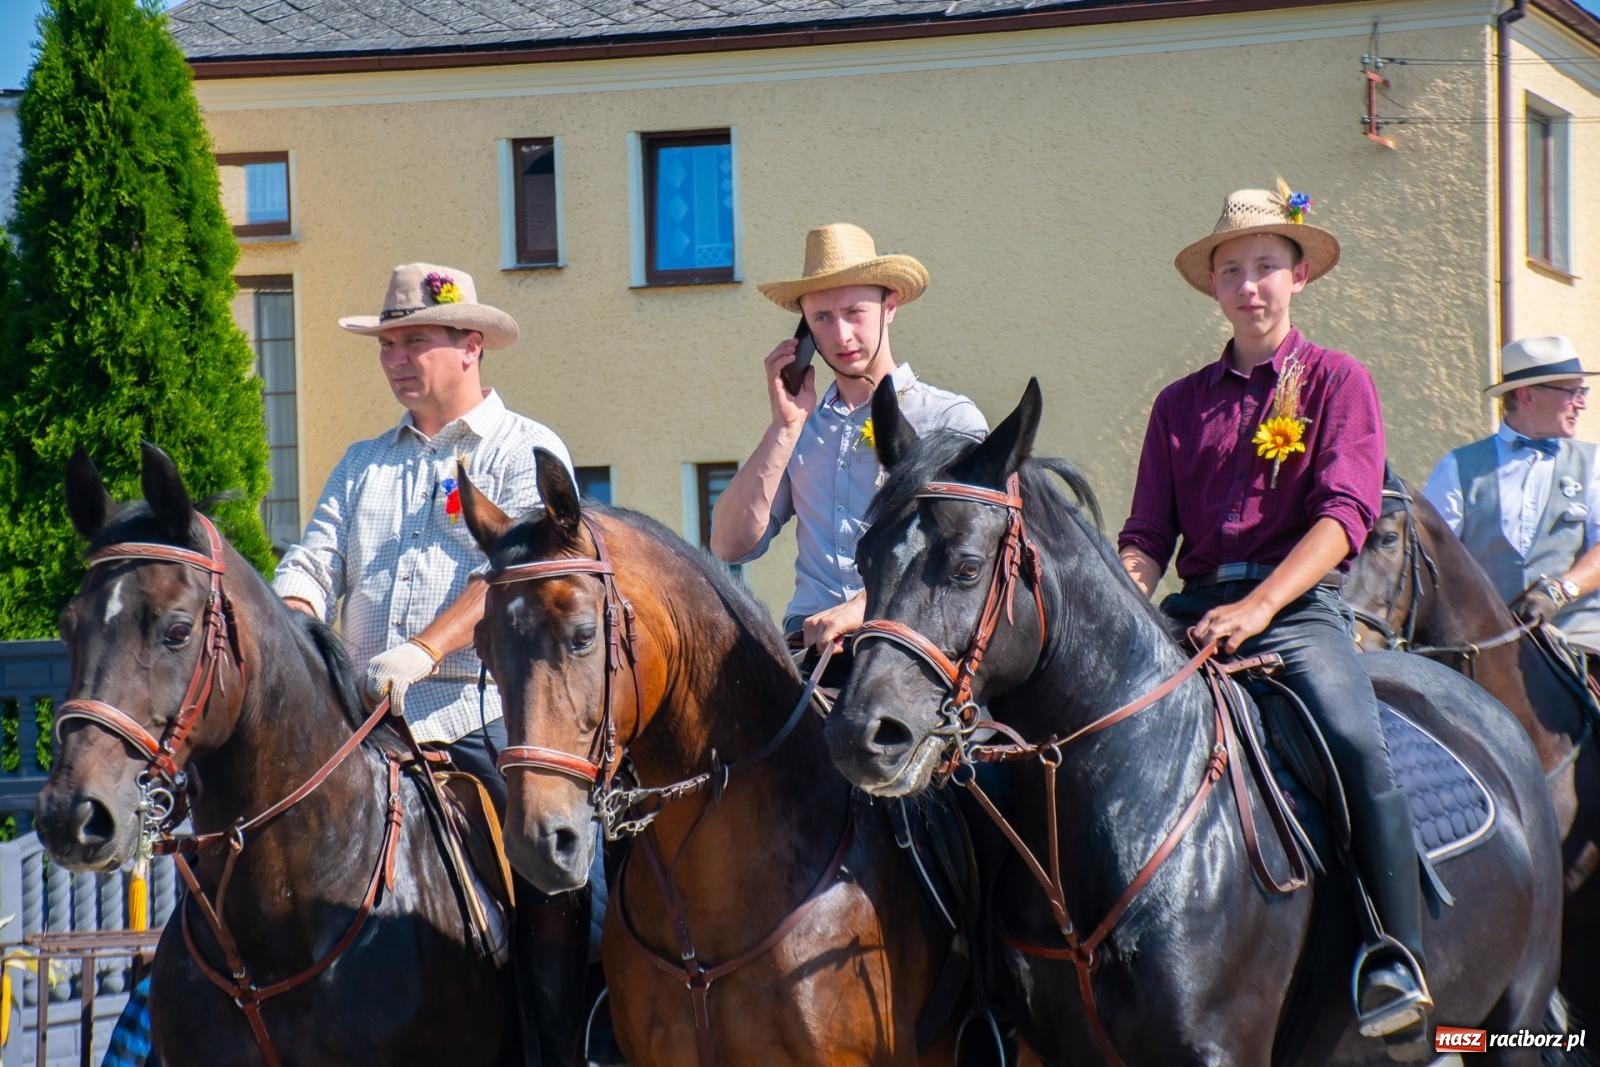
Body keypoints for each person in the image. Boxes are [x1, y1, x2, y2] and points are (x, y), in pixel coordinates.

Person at [1115, 184, 1430, 1053]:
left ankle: (1393, 956)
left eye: (1265, 267)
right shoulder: (1178, 404)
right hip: (1192, 611)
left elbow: (1344, 518)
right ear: (1213, 288)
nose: (1249, 285)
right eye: (1232, 271)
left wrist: (1260, 606)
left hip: (1294, 612)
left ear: (1297, 277)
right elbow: (1146, 536)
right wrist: (1120, 604)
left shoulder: (1338, 380)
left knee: (1354, 741)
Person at [272, 262, 586, 1067]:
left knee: (559, 870)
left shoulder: (528, 451)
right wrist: (296, 621)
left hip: (479, 717)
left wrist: (423, 649)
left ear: (470, 345)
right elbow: (312, 562)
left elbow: (514, 575)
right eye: (388, 344)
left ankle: (563, 1036)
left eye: (416, 341)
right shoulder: (360, 463)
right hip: (359, 727)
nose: (396, 359)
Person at [709, 223, 986, 651]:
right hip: (808, 652)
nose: (840, 336)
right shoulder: (799, 430)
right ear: (805, 332)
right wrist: (784, 427)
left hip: (916, 652)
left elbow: (972, 549)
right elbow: (728, 545)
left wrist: (862, 607)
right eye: (822, 317)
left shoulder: (948, 419)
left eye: (854, 312)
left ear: (889, 307)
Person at [1422, 335, 1600, 650]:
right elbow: (1432, 560)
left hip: (1579, 639)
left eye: (1581, 391)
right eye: (1572, 392)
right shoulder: (1457, 466)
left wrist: (1559, 591)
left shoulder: (1594, 462)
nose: (1582, 402)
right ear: (1527, 395)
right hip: (1485, 647)